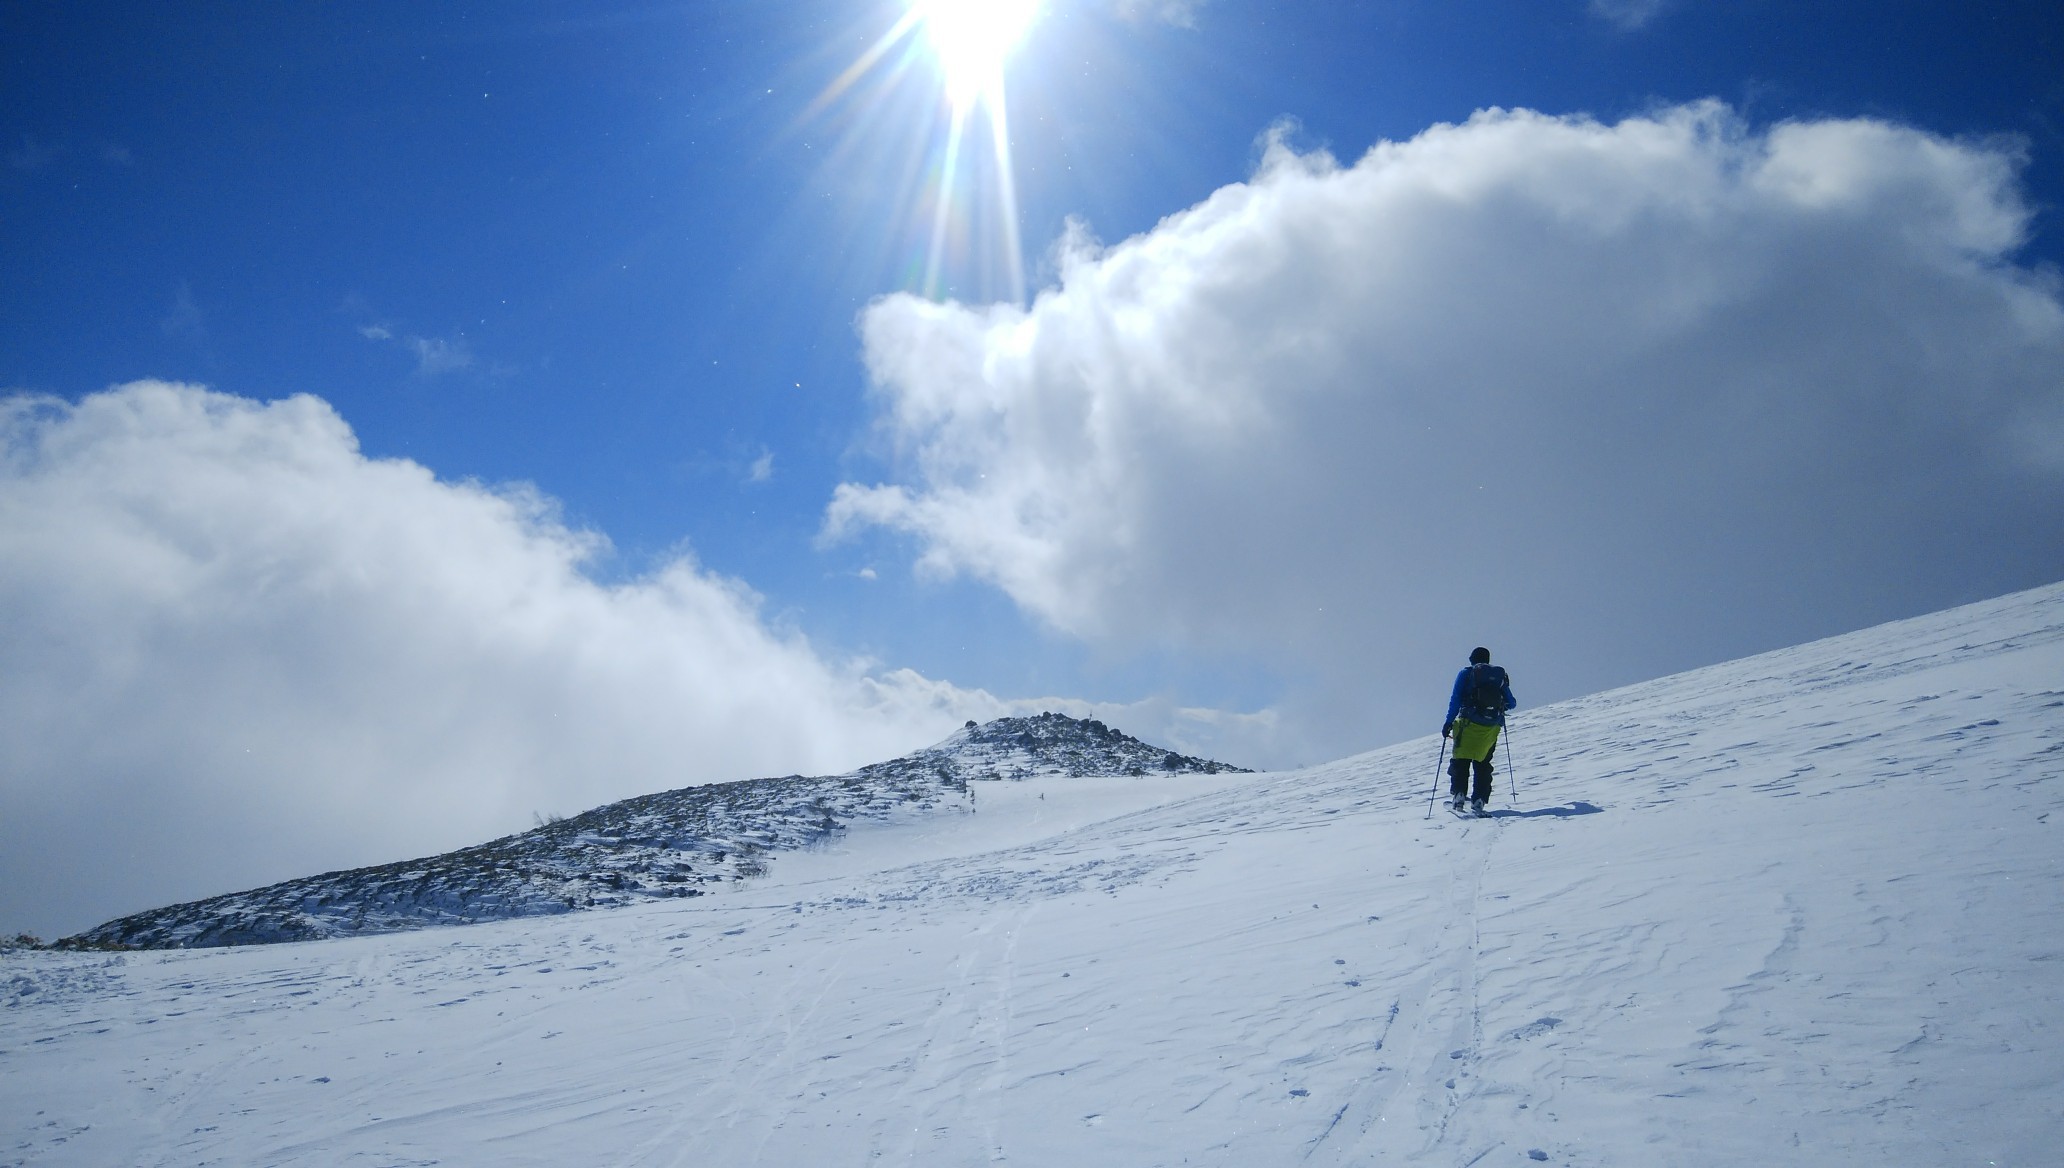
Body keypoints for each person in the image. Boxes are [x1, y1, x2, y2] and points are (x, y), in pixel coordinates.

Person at [1443, 647, 1516, 815]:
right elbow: (1511, 703)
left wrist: (1448, 722)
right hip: (1491, 728)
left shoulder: (1466, 673)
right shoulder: (1499, 677)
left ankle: (1459, 795)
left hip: (1468, 724)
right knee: (1483, 764)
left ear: (1472, 659)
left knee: (1461, 760)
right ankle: (1479, 800)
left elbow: (1455, 698)